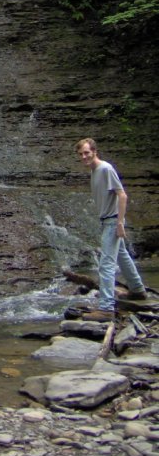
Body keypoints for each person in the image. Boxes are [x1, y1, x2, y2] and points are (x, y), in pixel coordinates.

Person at [75, 137, 147, 321]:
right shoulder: (94, 171)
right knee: (122, 255)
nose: (84, 157)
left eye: (87, 153)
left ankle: (106, 308)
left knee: (106, 265)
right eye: (81, 154)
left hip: (112, 221)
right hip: (107, 220)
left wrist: (120, 223)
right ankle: (138, 290)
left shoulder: (105, 169)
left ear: (94, 152)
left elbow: (122, 195)